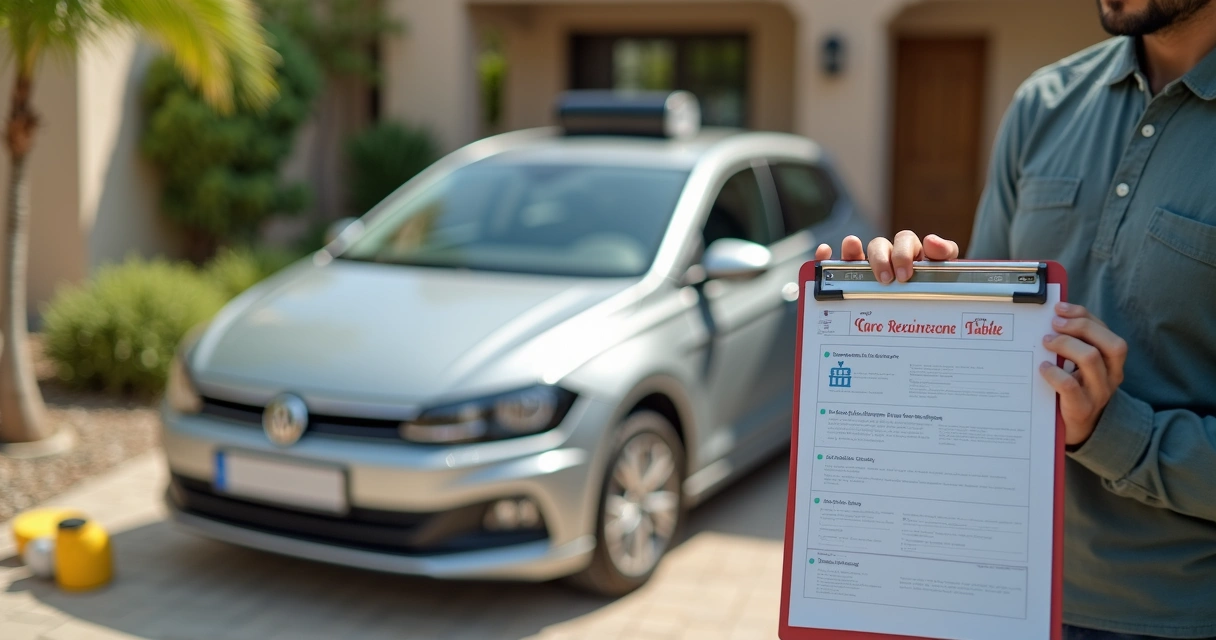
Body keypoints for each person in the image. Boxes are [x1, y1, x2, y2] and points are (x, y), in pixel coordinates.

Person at [815, 1, 1216, 638]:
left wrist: (1112, 432)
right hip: (988, 588)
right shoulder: (1043, 103)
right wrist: (910, 302)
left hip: (1168, 616)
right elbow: (980, 356)